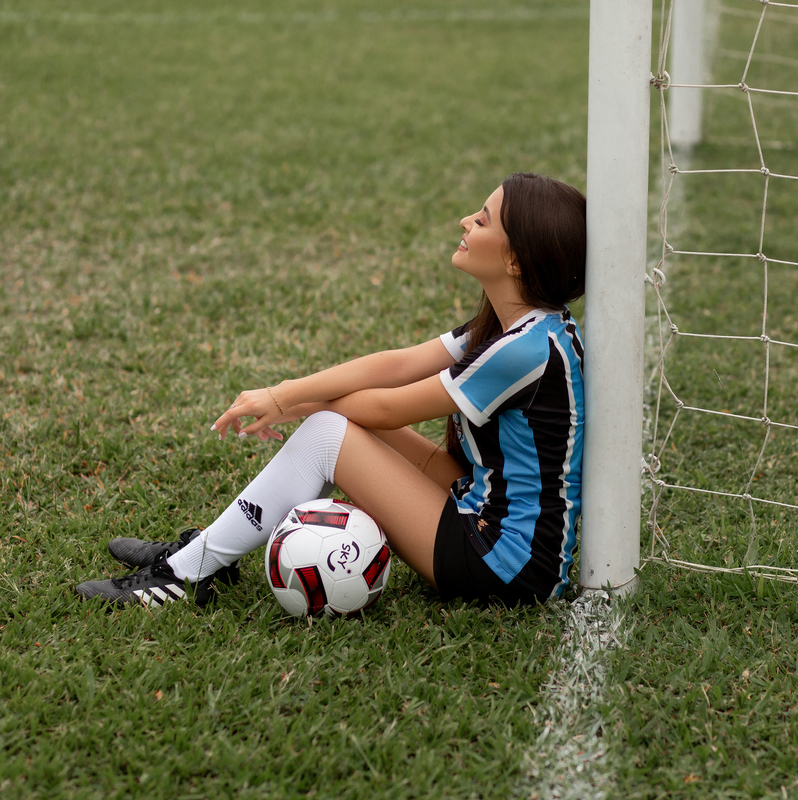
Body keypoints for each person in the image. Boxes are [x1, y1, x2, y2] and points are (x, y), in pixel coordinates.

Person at [75, 173, 586, 608]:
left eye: (483, 219)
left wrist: (299, 404)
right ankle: (208, 552)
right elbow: (398, 363)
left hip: (506, 565)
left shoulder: (524, 350)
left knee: (327, 434)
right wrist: (284, 394)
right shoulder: (518, 327)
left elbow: (388, 406)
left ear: (516, 260)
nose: (465, 222)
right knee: (337, 424)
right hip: (480, 503)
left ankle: (186, 574)